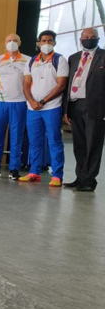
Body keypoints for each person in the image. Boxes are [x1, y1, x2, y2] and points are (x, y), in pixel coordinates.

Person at [21, 30, 68, 187]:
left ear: (54, 43)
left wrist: (42, 101)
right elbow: (26, 84)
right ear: (38, 43)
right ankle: (34, 172)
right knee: (34, 142)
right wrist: (32, 101)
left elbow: (61, 85)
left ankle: (57, 175)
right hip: (32, 108)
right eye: (43, 41)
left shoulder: (59, 60)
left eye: (50, 41)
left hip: (52, 108)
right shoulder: (31, 61)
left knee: (54, 141)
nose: (46, 44)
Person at [64, 27, 105, 192]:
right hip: (75, 105)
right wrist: (66, 109)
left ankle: (89, 180)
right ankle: (80, 177)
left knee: (93, 144)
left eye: (93, 36)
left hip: (95, 106)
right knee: (79, 144)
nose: (90, 39)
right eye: (86, 37)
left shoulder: (103, 56)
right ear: (80, 40)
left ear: (98, 38)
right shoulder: (73, 58)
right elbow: (68, 83)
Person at [0, 33, 28, 179]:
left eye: (15, 40)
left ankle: (14, 168)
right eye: (9, 40)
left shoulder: (27, 61)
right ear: (5, 43)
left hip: (19, 103)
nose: (12, 43)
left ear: (20, 42)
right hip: (0, 103)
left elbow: (29, 83)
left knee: (16, 137)